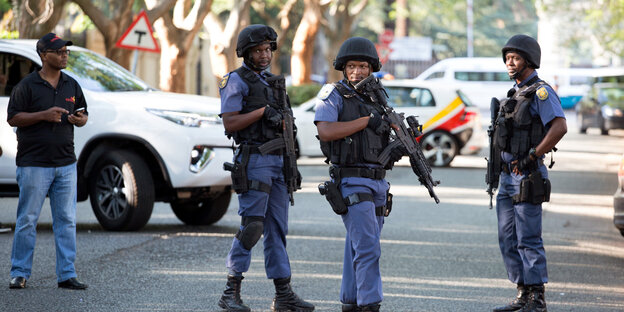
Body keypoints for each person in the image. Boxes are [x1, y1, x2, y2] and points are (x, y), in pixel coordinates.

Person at [217, 24, 314, 312]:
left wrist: (292, 164)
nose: (264, 55)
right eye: (258, 50)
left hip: (279, 162)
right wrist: (261, 112)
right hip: (255, 159)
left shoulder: (274, 82)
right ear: (246, 53)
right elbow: (230, 123)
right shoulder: (235, 81)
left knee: (277, 230)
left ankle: (283, 295)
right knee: (253, 227)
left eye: (268, 49)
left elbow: (286, 127)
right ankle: (230, 292)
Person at [314, 37, 406, 312]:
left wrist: (397, 145)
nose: (357, 72)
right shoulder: (333, 94)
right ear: (343, 67)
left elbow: (382, 137)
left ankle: (351, 301)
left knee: (359, 245)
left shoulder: (377, 97)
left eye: (363, 66)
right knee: (368, 248)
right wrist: (366, 120)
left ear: (371, 67)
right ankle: (369, 304)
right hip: (352, 180)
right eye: (352, 66)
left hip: (378, 182)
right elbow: (326, 130)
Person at [491, 34, 567, 312]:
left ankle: (537, 298)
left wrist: (533, 155)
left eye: (516, 58)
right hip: (507, 176)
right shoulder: (515, 93)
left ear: (529, 60)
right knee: (507, 236)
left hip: (527, 174)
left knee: (528, 238)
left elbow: (559, 126)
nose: (510, 63)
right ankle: (523, 293)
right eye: (508, 58)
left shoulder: (541, 92)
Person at [7, 33, 88, 290]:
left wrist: (80, 120)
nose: (65, 55)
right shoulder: (27, 86)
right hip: (34, 164)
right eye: (59, 51)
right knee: (27, 219)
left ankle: (67, 274)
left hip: (66, 163)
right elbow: (13, 118)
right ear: (44, 55)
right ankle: (19, 273)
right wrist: (44, 115)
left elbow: (83, 113)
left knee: (66, 219)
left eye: (66, 51)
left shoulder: (71, 85)